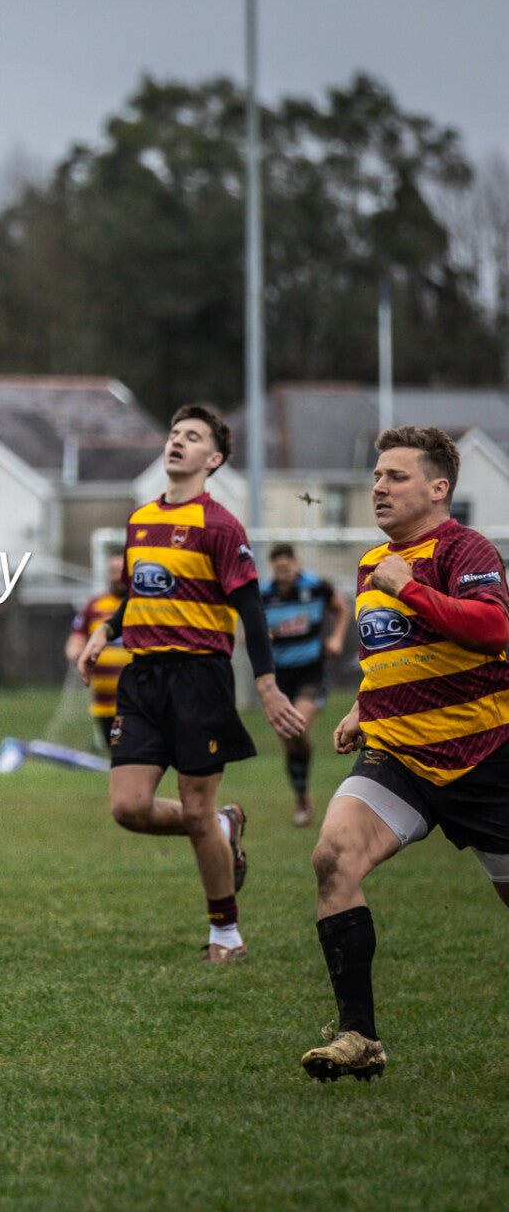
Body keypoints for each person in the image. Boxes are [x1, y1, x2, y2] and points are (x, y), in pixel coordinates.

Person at [303, 427, 509, 1082]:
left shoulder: (463, 549)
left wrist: (409, 587)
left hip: (484, 758)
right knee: (333, 856)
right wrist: (362, 706)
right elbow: (390, 652)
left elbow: (492, 628)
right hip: (398, 759)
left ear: (438, 487)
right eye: (376, 475)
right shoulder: (372, 562)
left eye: (395, 476)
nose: (378, 487)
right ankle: (357, 1036)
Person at [80, 405, 305, 962]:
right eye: (174, 433)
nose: (177, 442)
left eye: (193, 437)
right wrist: (105, 631)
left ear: (214, 459)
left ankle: (226, 934)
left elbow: (251, 610)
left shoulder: (220, 526)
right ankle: (223, 827)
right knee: (128, 807)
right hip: (142, 678)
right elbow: (142, 593)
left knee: (194, 808)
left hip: (199, 677)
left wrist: (267, 684)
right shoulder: (139, 520)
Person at [263, 543, 349, 827]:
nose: (283, 572)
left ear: (296, 563)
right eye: (278, 568)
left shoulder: (316, 587)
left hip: (311, 672)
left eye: (287, 566)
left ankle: (302, 797)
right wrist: (260, 637)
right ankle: (301, 796)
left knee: (297, 726)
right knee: (290, 742)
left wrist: (336, 638)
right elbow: (247, 631)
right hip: (279, 677)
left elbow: (341, 608)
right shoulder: (264, 595)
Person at [65, 560, 132, 749]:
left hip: (135, 700)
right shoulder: (94, 605)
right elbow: (77, 637)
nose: (117, 577)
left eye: (122, 571)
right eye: (113, 571)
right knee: (115, 754)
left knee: (131, 754)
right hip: (103, 702)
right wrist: (75, 651)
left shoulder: (140, 605)